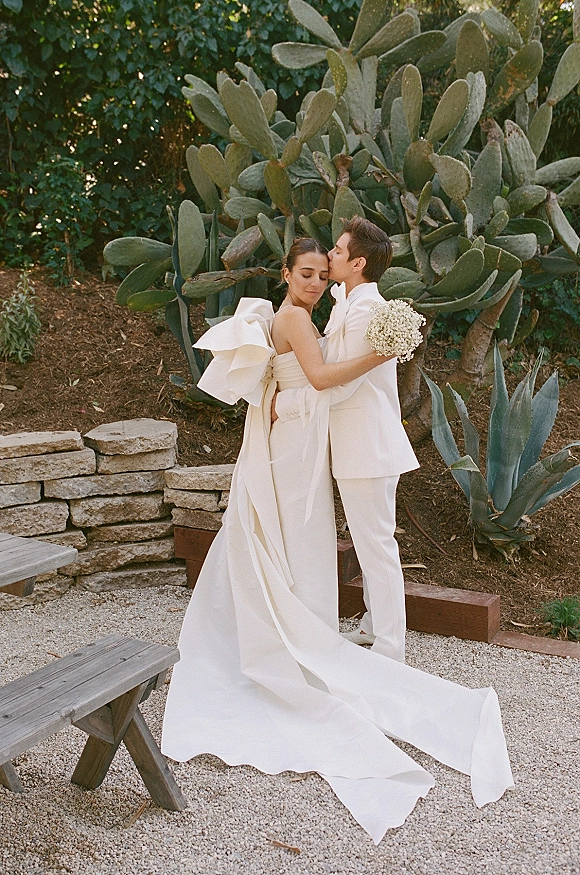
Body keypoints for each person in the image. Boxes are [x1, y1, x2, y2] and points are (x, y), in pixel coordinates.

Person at [161, 238, 513, 844]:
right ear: (286, 274)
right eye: (307, 272)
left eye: (324, 272)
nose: (316, 280)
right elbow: (322, 377)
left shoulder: (322, 310)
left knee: (314, 539)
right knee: (300, 535)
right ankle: (303, 639)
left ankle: (326, 635)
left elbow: (305, 378)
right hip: (301, 443)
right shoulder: (298, 314)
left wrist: (292, 392)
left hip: (312, 441)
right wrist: (380, 358)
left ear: (345, 270)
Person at [274, 217, 417, 663]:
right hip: (354, 447)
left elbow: (341, 387)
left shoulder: (367, 313)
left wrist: (283, 404)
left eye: (337, 251)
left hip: (368, 447)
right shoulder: (346, 305)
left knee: (377, 546)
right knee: (369, 541)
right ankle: (375, 628)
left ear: (357, 263)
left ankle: (391, 650)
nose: (329, 256)